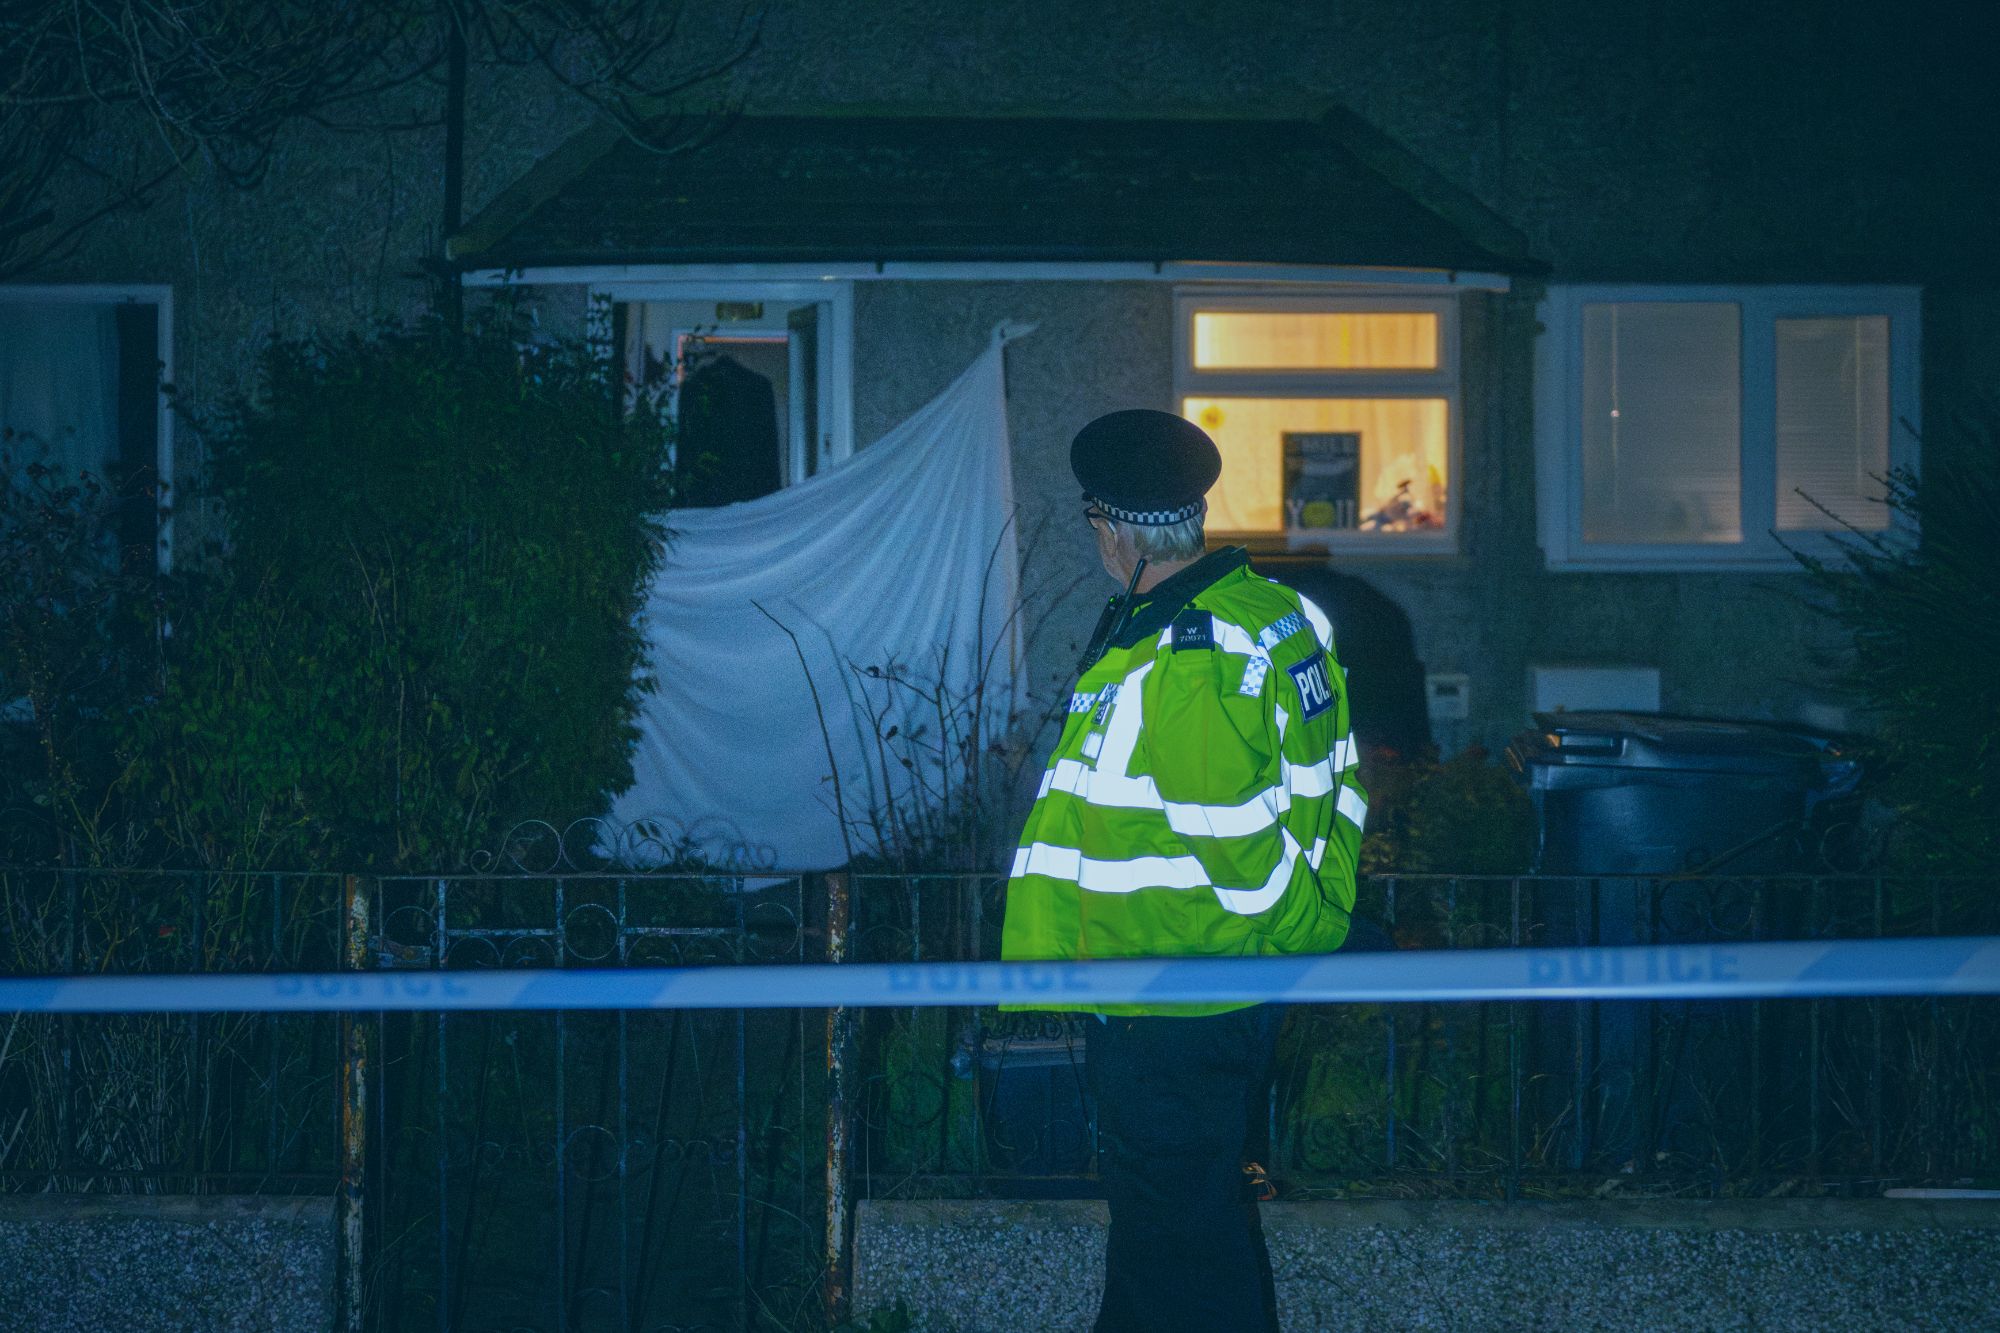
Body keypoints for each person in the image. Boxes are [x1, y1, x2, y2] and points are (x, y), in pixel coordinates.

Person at [1001, 409, 1368, 1333]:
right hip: (1208, 981)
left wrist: (1284, 932)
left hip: (1175, 987)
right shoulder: (1272, 611)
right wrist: (1298, 936)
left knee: (1184, 1248)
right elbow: (1339, 786)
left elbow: (1232, 833)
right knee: (1166, 1231)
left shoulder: (1183, 652)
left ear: (1113, 528)